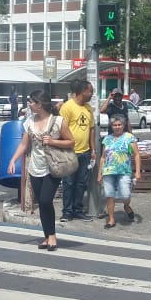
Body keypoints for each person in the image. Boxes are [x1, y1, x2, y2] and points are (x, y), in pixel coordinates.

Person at [7, 91, 74, 251]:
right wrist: (13, 160)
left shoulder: (58, 121)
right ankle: (47, 236)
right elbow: (24, 144)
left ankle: (52, 236)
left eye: (31, 102)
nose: (28, 104)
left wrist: (53, 141)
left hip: (53, 167)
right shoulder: (29, 121)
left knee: (45, 200)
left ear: (40, 104)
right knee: (42, 204)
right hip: (35, 167)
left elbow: (71, 142)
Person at [59, 79, 96, 222]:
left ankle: (78, 209)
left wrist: (92, 149)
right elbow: (61, 129)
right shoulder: (67, 107)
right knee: (69, 182)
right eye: (90, 91)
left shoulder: (88, 108)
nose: (92, 94)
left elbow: (91, 129)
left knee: (81, 183)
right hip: (70, 152)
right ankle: (67, 211)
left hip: (85, 152)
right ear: (82, 91)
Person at [97, 114, 140, 229]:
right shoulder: (107, 139)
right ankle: (111, 219)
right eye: (115, 125)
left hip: (124, 170)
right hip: (108, 170)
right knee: (109, 195)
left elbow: (136, 155)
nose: (117, 127)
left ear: (123, 125)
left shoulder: (129, 137)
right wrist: (99, 173)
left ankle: (126, 206)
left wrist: (138, 171)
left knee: (125, 195)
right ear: (111, 126)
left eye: (119, 124)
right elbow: (102, 157)